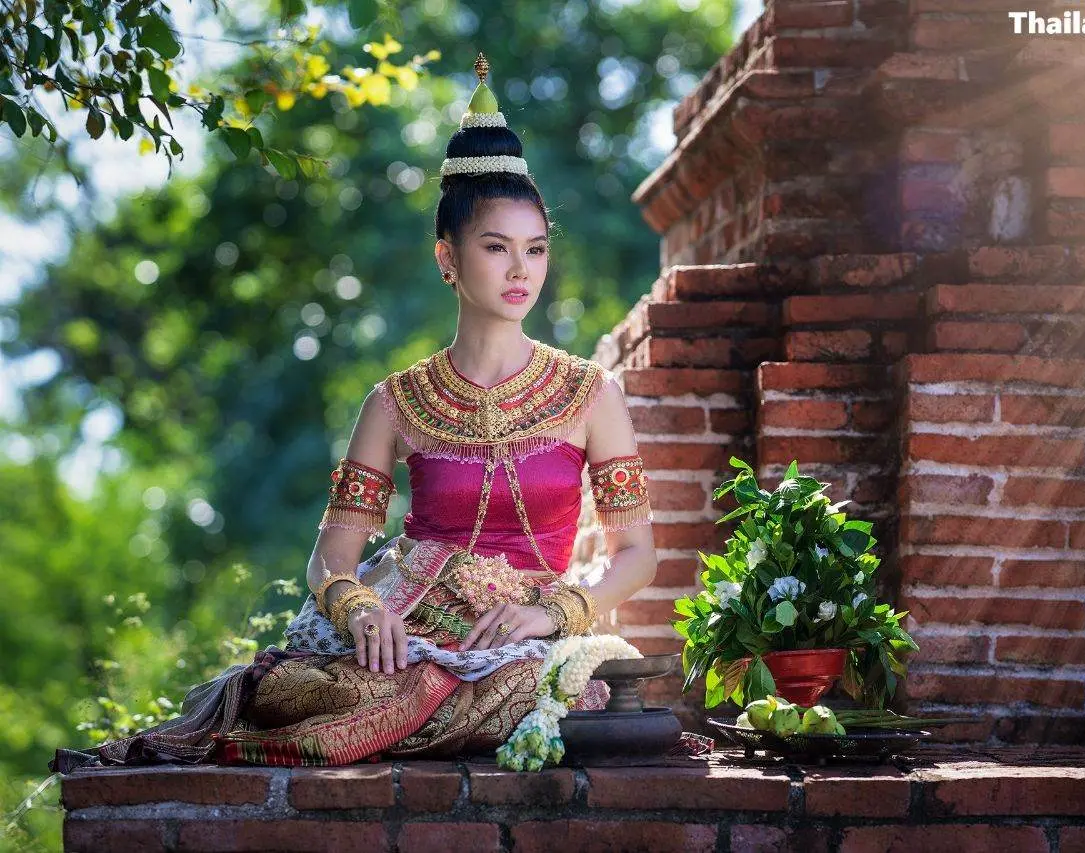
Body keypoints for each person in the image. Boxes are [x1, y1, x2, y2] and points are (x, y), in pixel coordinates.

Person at [50, 53, 656, 771]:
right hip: (407, 623)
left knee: (533, 692)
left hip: (523, 637)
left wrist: (555, 612)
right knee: (291, 694)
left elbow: (636, 554)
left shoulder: (591, 394)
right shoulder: (395, 401)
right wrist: (361, 610)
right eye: (496, 247)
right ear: (447, 259)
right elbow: (333, 553)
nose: (521, 269)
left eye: (535, 248)